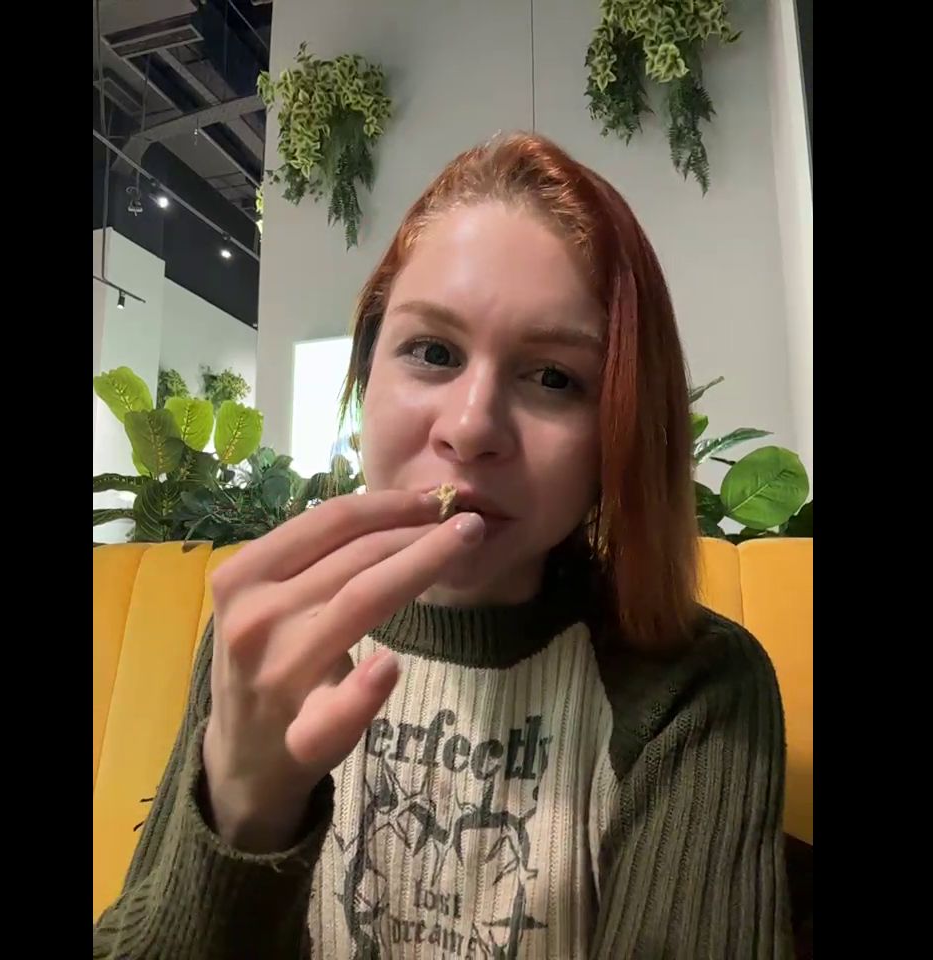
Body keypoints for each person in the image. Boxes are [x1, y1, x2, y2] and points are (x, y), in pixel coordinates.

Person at [93, 132, 793, 959]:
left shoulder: (695, 688)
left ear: (620, 432)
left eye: (554, 377)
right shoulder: (269, 636)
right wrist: (243, 816)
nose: (470, 428)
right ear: (367, 379)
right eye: (432, 353)